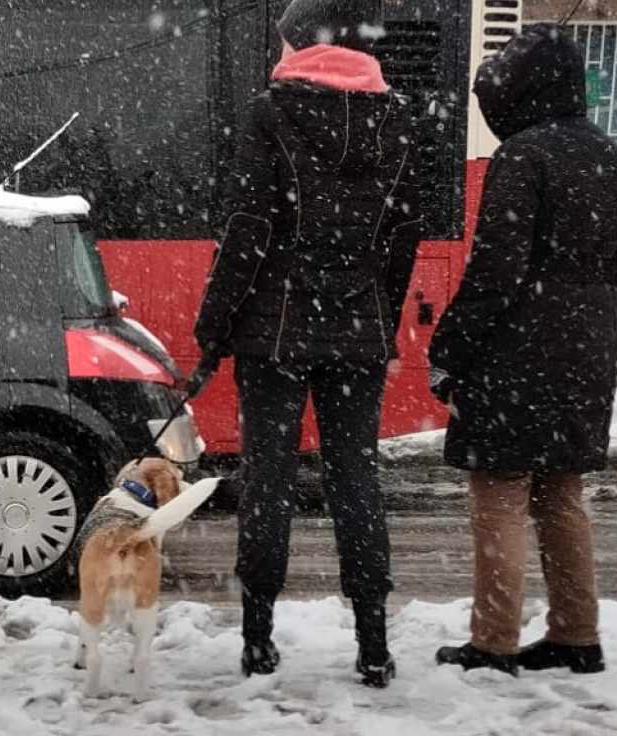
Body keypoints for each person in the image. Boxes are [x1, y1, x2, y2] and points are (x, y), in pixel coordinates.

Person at [183, 0, 424, 689]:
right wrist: (382, 308)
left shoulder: (271, 111)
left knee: (269, 480)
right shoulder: (396, 119)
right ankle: (372, 647)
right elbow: (402, 235)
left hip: (275, 331)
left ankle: (258, 640)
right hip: (360, 332)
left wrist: (213, 330)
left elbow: (249, 227)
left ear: (301, 41)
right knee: (356, 478)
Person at [428, 24, 617, 677]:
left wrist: (450, 348)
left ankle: (494, 641)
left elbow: (495, 271)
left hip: (517, 350)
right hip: (587, 347)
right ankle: (577, 633)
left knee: (500, 492)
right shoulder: (612, 156)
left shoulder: (524, 157)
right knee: (561, 493)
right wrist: (601, 339)